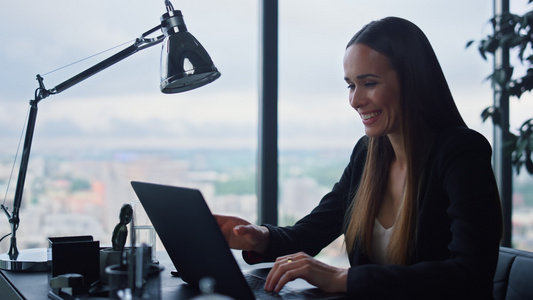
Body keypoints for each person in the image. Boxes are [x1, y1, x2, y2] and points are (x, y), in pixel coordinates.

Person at [215, 16, 503, 299]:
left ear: (413, 81)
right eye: (351, 85)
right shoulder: (367, 154)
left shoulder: (461, 153)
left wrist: (345, 278)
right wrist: (259, 237)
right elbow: (310, 233)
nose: (355, 101)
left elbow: (469, 274)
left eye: (369, 83)